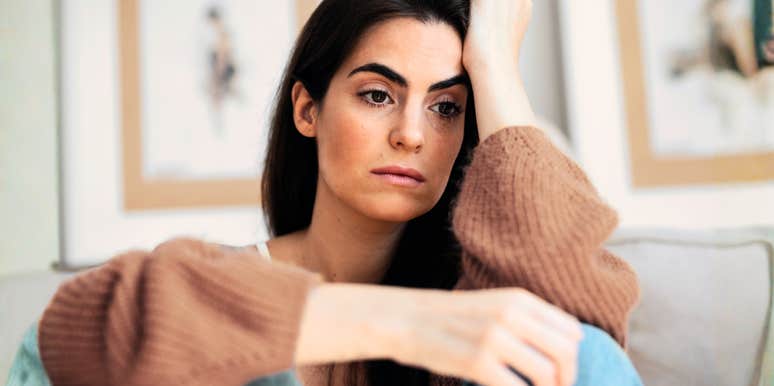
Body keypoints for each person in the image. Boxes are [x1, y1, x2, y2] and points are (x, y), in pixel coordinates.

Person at [7, 1, 642, 386]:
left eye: (447, 107)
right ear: (308, 110)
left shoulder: (472, 311)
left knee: (572, 347)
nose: (412, 135)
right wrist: (410, 326)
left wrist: (497, 66)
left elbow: (582, 347)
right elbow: (65, 339)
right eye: (377, 95)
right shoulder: (211, 290)